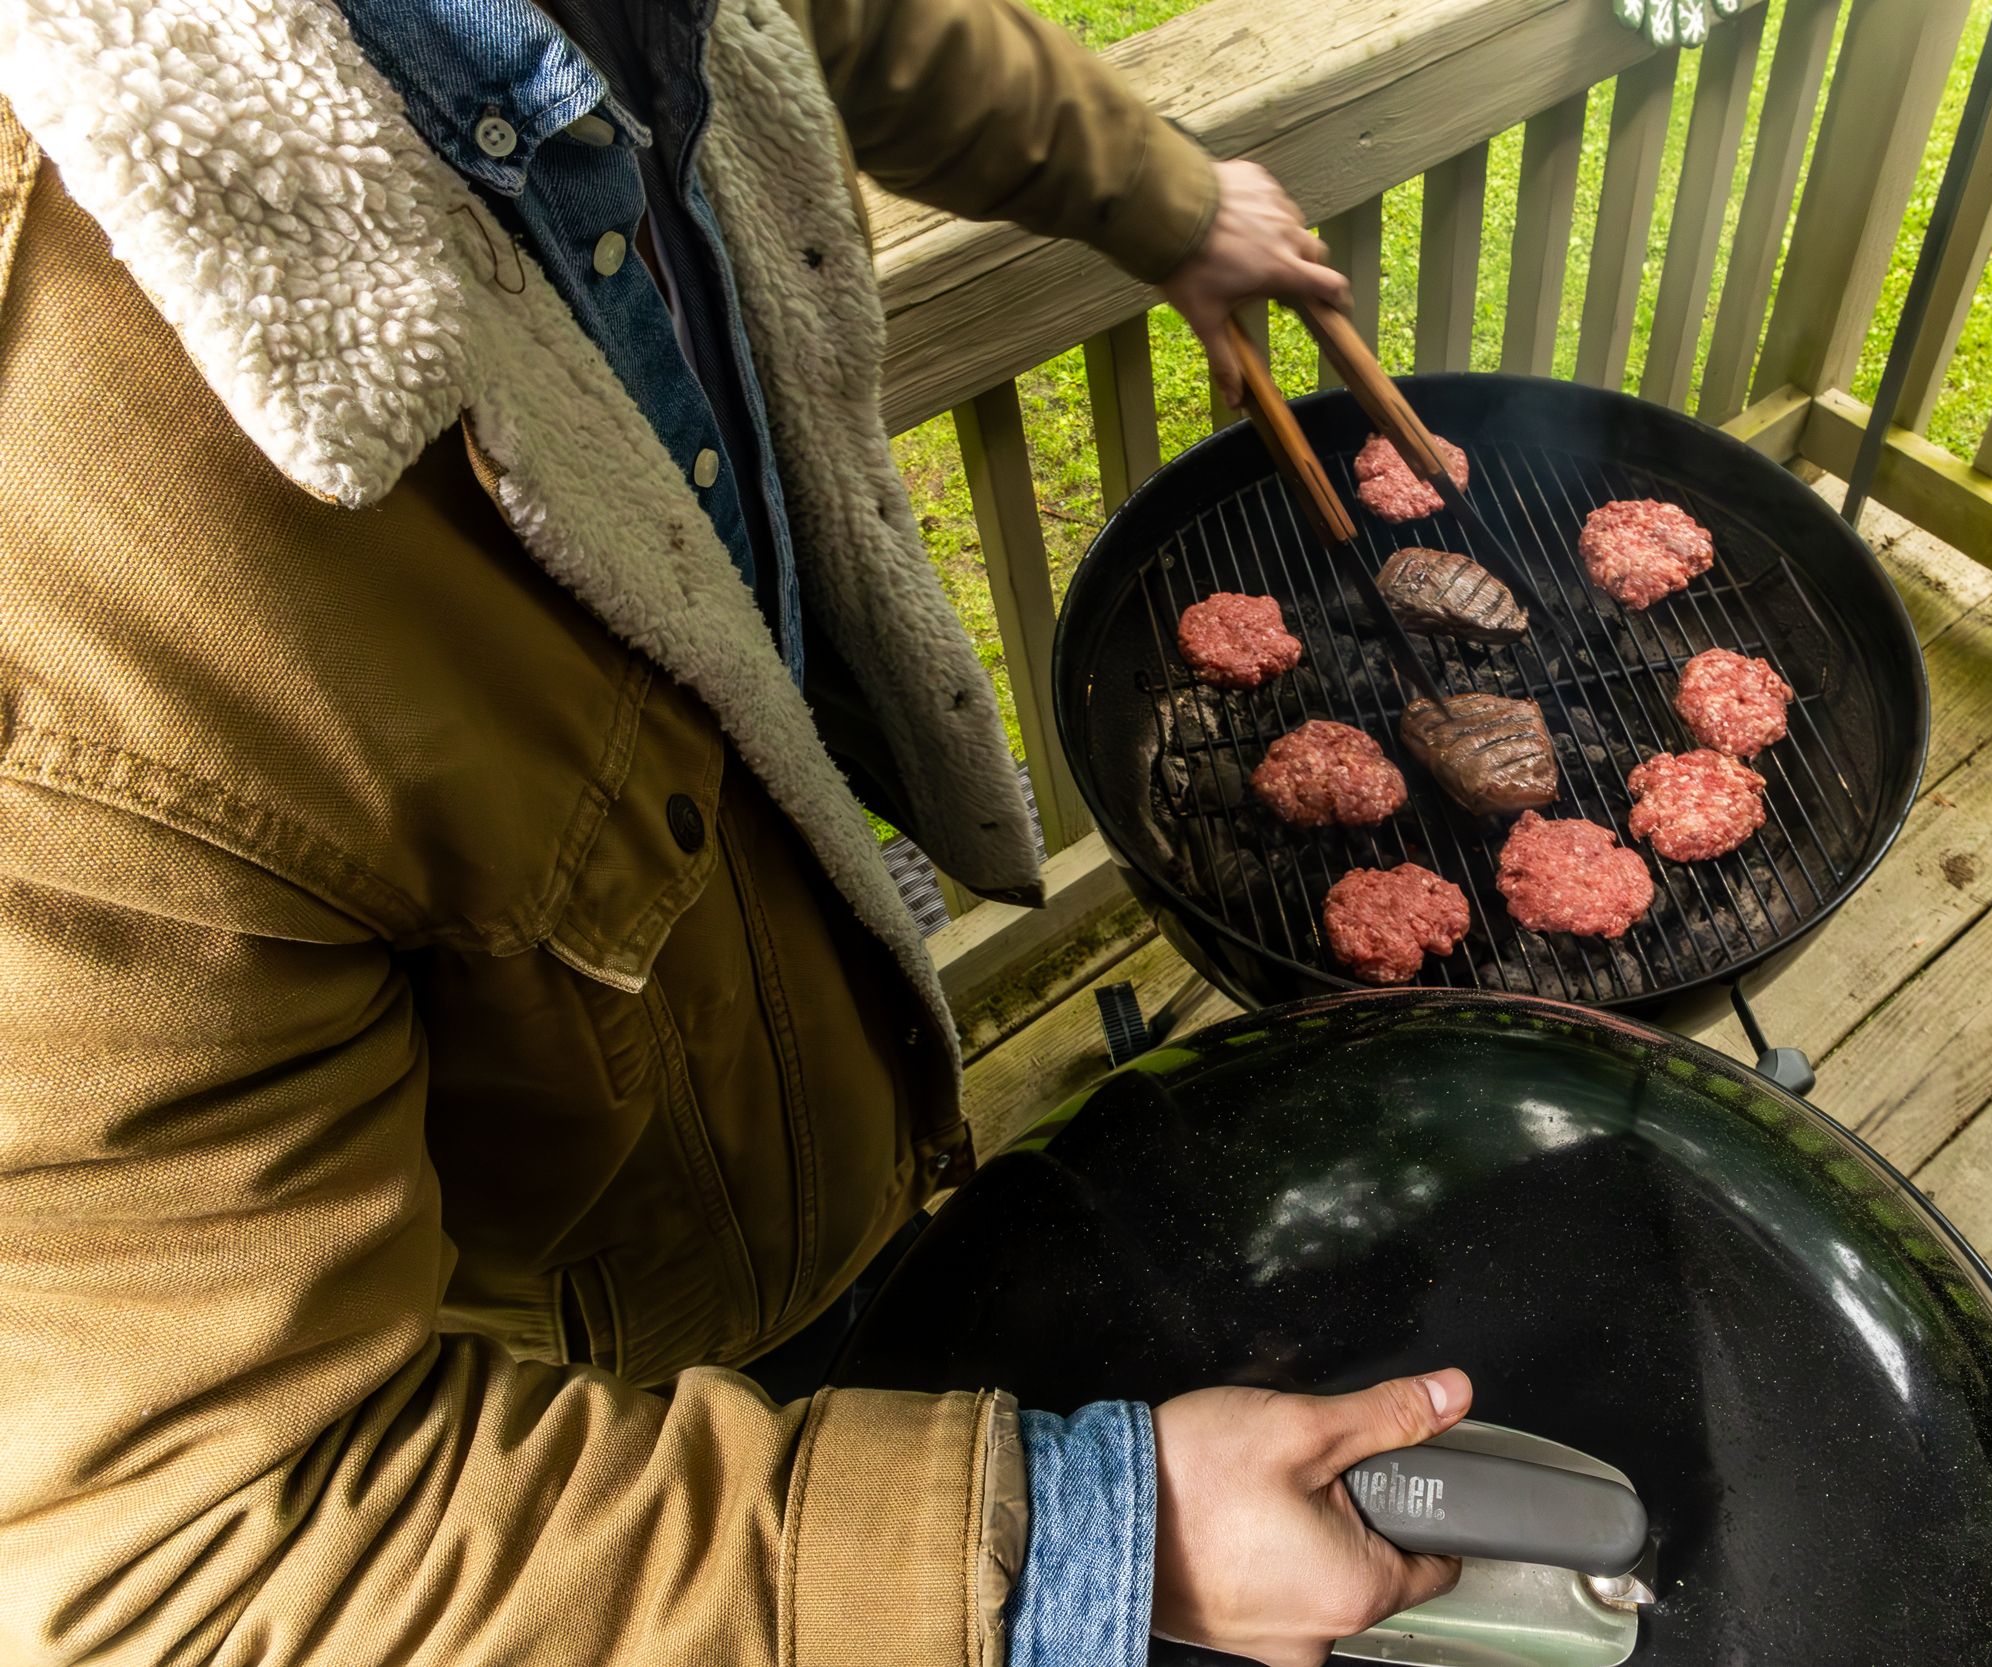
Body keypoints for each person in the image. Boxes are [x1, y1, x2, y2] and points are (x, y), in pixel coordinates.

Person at [0, 1, 1471, 1663]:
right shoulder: (60, 559)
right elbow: (180, 1556)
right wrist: (1075, 1540)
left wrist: (1166, 197)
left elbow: (856, 29)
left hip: (775, 1044)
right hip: (580, 1397)